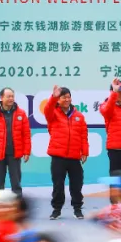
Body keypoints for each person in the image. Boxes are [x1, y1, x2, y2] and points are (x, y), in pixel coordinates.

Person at [44, 86, 89, 220]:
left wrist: (85, 151)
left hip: (74, 157)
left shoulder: (78, 116)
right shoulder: (53, 114)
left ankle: (77, 209)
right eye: (64, 97)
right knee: (58, 185)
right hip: (58, 157)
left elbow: (83, 135)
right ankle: (56, 210)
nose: (67, 99)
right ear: (58, 100)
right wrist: (53, 97)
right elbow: (47, 109)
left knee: (77, 184)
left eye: (69, 97)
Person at [0, 87, 32, 195]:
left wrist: (26, 152)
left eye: (12, 96)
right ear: (1, 97)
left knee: (16, 183)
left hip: (15, 154)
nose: (11, 99)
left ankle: (17, 203)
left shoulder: (21, 114)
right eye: (8, 96)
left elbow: (26, 134)